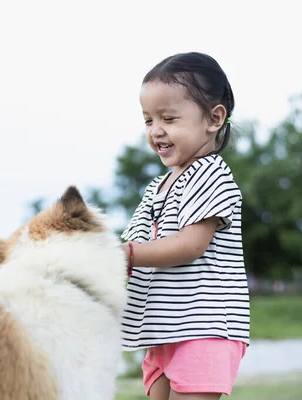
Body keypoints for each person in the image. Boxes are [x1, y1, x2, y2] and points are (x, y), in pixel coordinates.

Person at [120, 52, 250, 400]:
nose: (156, 130)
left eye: (169, 118)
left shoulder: (210, 173)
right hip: (164, 329)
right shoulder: (157, 187)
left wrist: (127, 254)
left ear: (214, 118)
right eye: (148, 120)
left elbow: (191, 244)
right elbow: (131, 247)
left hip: (204, 326)